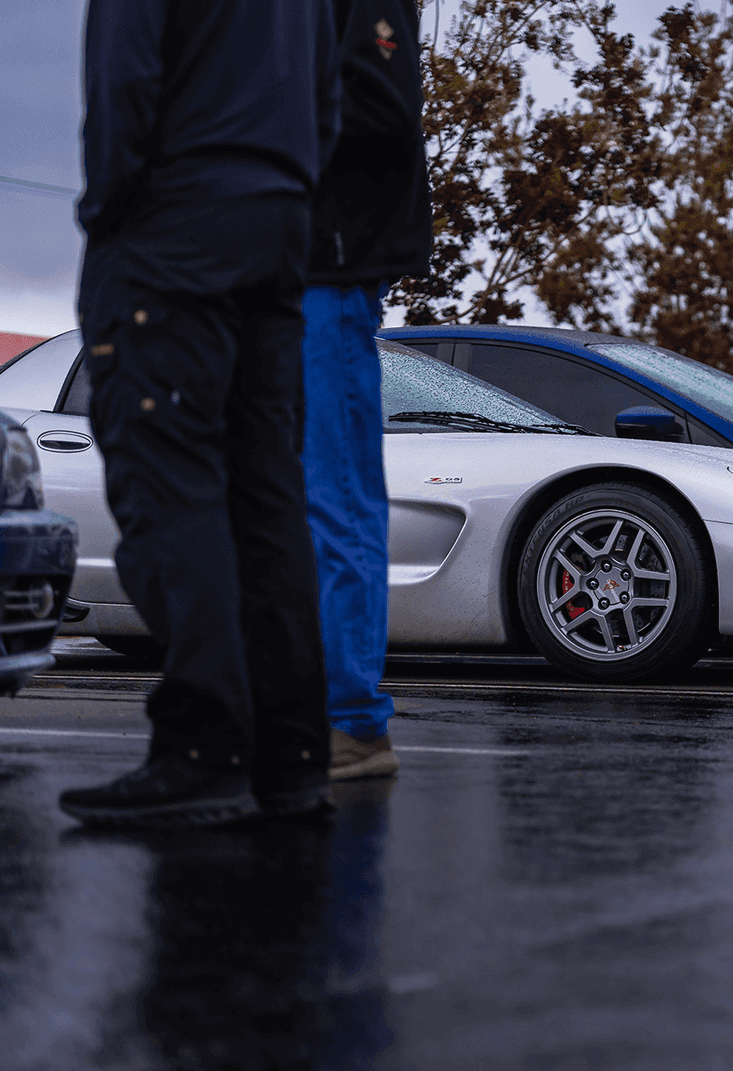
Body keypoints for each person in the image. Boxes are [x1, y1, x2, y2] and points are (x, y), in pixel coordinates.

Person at [59, 0, 341, 827]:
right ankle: (292, 756)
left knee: (169, 484)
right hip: (279, 221)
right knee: (265, 497)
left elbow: (124, 80)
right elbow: (327, 99)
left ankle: (203, 745)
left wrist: (108, 217)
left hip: (176, 219)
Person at [303, 0, 432, 782]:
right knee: (294, 495)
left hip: (332, 266)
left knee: (336, 493)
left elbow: (382, 106)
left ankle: (349, 720)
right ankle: (306, 709)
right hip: (288, 263)